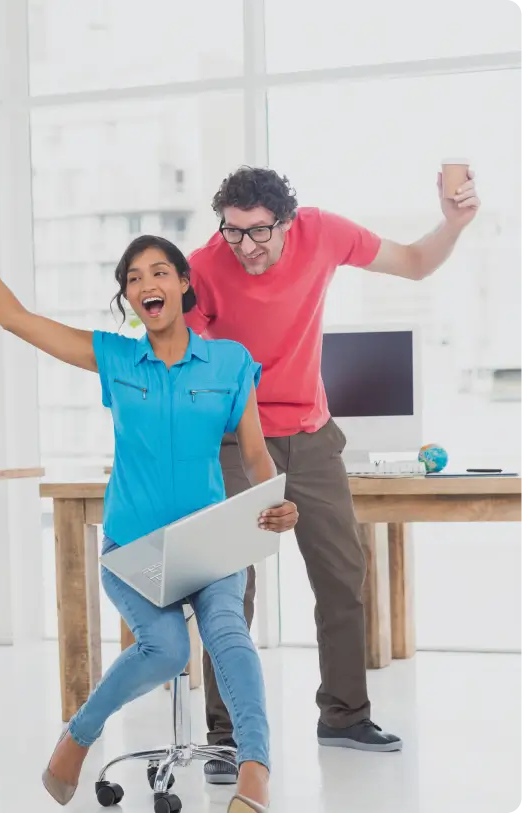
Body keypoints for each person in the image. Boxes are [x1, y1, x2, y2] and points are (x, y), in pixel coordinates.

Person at [0, 184, 300, 813]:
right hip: (135, 549)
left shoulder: (230, 363)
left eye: (159, 271)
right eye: (132, 278)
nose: (146, 283)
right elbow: (15, 319)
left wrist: (273, 499)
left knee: (229, 632)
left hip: (210, 547)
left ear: (184, 283)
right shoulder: (116, 358)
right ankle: (78, 735)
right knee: (168, 649)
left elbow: (257, 453)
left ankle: (254, 772)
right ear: (128, 298)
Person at [184, 165, 481, 783]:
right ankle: (225, 736)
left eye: (259, 231)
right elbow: (180, 360)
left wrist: (452, 224)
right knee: (230, 589)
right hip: (236, 438)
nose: (246, 246)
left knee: (343, 577)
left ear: (287, 222)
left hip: (313, 437)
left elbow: (415, 262)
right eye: (233, 231)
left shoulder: (323, 234)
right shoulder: (205, 267)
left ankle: (344, 716)